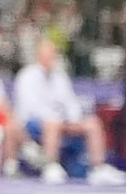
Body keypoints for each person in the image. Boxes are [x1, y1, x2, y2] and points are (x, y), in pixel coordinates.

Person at [7, 34, 92, 180]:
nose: (52, 57)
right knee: (52, 122)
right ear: (40, 56)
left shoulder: (61, 76)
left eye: (54, 54)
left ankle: (98, 167)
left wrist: (73, 119)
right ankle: (50, 166)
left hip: (62, 120)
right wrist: (57, 119)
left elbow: (70, 101)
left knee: (92, 124)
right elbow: (30, 106)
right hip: (33, 121)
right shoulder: (27, 76)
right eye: (49, 54)